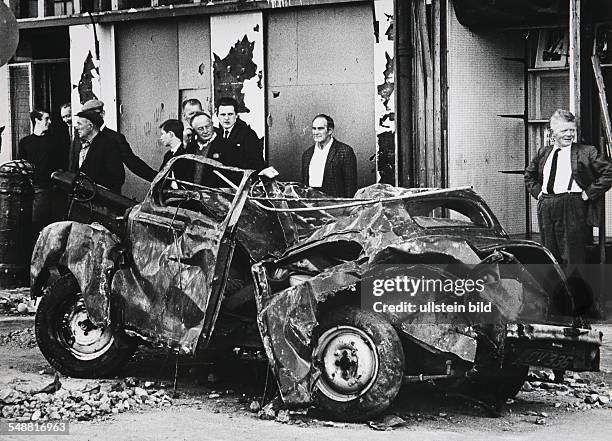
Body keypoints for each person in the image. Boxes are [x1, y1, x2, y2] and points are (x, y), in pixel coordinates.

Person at [525, 109, 612, 265]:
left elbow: (609, 172)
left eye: (572, 130)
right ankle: (554, 289)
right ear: (552, 133)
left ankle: (575, 289)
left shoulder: (586, 152)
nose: (569, 134)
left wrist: (589, 192)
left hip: (571, 205)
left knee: (572, 257)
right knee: (549, 255)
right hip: (546, 205)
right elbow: (529, 176)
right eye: (564, 130)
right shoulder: (544, 152)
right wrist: (539, 194)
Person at [74, 99, 156, 182]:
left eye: (92, 114)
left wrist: (157, 179)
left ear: (102, 114)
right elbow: (73, 162)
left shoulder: (115, 138)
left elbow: (133, 163)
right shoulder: (79, 136)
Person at [18, 109, 65, 239]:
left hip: (49, 190)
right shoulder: (25, 142)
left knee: (47, 227)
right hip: (30, 191)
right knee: (32, 227)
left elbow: (62, 165)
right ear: (37, 121)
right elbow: (22, 165)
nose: (49, 122)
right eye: (46, 119)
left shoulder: (55, 141)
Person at [302, 114, 357, 198]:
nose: (315, 132)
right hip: (311, 205)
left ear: (330, 131)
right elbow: (304, 185)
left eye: (320, 129)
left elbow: (350, 186)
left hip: (335, 206)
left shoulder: (345, 151)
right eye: (314, 129)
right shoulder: (307, 154)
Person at [74, 110, 125, 193]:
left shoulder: (109, 144)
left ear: (90, 126)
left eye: (79, 124)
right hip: (84, 199)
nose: (77, 127)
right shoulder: (81, 144)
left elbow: (117, 178)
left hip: (101, 200)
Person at [214, 97, 264, 171]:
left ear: (236, 115)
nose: (226, 118)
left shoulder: (248, 135)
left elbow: (256, 163)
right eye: (223, 114)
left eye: (230, 114)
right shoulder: (216, 133)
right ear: (217, 115)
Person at [159, 118, 191, 185]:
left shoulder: (186, 152)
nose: (161, 138)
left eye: (162, 134)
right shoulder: (168, 155)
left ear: (170, 134)